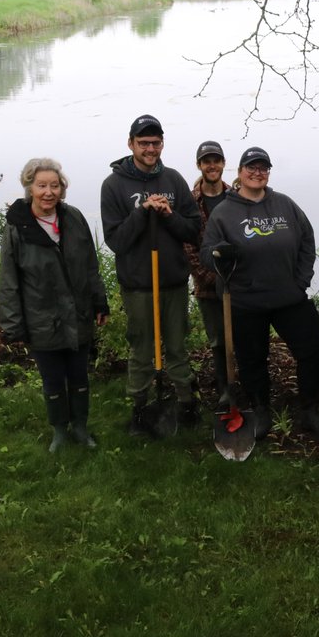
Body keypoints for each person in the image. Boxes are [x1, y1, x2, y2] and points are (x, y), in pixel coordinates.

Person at [201, 147, 319, 438]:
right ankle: (260, 410)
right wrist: (219, 255)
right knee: (252, 360)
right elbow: (206, 255)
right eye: (251, 167)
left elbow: (307, 240)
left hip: (289, 297)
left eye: (263, 168)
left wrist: (301, 280)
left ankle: (310, 410)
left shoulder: (284, 204)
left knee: (313, 351)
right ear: (239, 172)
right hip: (245, 301)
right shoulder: (224, 212)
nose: (257, 172)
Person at [100, 114, 202, 435]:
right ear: (131, 144)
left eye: (155, 142)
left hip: (172, 281)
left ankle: (186, 403)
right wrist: (142, 213)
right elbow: (117, 241)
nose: (150, 148)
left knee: (176, 346)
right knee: (143, 347)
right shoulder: (113, 185)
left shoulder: (173, 180)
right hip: (139, 285)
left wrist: (168, 215)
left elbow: (193, 229)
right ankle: (140, 408)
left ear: (162, 143)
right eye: (143, 143)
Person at [0, 158, 109, 452]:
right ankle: (59, 431)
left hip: (79, 316)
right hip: (41, 319)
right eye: (41, 185)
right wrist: (13, 325)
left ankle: (81, 429)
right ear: (29, 188)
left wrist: (100, 301)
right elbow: (9, 282)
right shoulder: (17, 228)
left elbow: (90, 266)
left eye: (55, 185)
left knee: (79, 377)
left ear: (62, 189)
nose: (48, 192)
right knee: (52, 382)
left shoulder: (73, 218)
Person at [183, 141, 231, 404]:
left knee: (242, 336)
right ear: (199, 165)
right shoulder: (190, 201)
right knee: (217, 341)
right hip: (207, 285)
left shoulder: (236, 196)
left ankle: (242, 385)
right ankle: (224, 389)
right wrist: (211, 277)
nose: (212, 165)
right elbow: (188, 245)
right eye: (206, 161)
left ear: (223, 163)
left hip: (237, 283)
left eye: (216, 160)